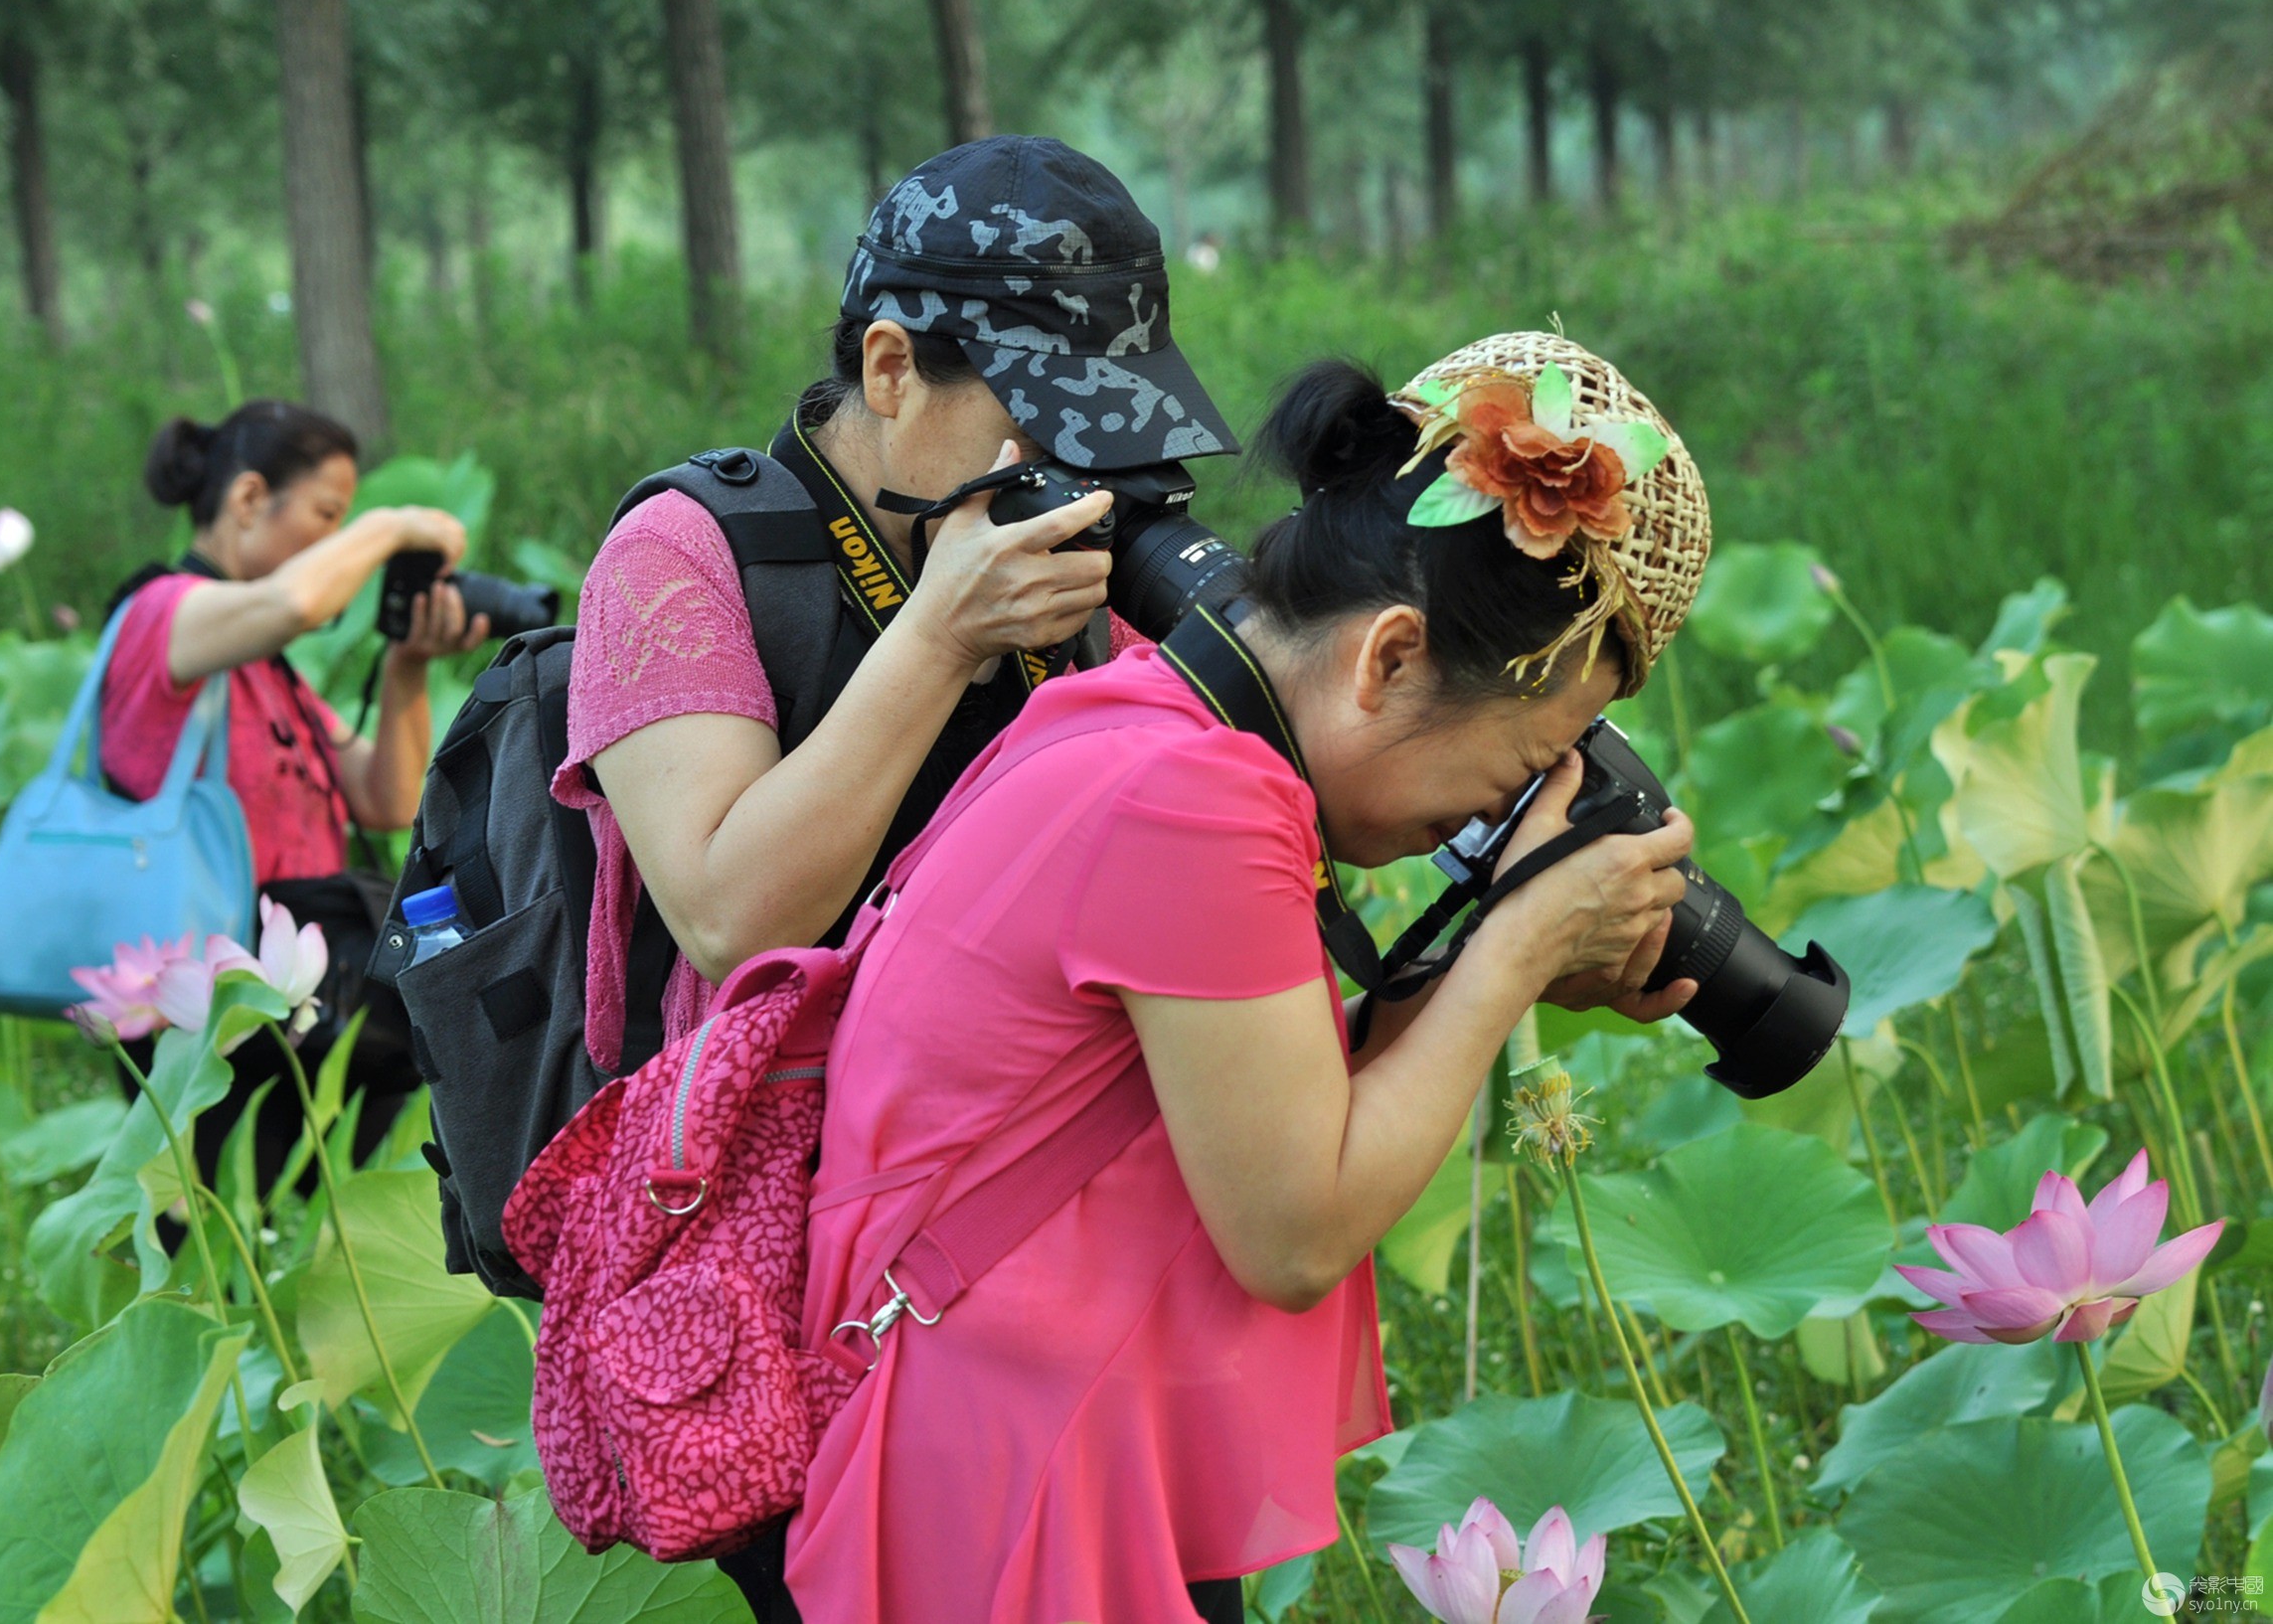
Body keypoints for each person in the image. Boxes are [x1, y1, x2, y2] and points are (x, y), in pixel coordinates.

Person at [783, 333, 1715, 1622]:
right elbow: (1295, 1228)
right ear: (1387, 659)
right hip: (1014, 1493)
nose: (1488, 821)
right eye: (1514, 772)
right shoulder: (1197, 804)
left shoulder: (1141, 725)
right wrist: (1512, 950)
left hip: (1013, 1436)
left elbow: (1257, 1112)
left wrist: (1510, 947)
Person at [559, 133, 1240, 1615]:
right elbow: (727, 909)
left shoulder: (1064, 554)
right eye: (1040, 420)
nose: (1079, 469)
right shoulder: (682, 557)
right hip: (799, 1283)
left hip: (1061, 1249)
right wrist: (939, 638)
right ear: (885, 368)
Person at [105, 399, 487, 1187]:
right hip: (208, 990)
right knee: (229, 1228)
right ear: (248, 500)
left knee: (309, 1222)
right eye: (325, 514)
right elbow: (294, 602)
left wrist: (407, 665)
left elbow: (383, 799)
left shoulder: (265, 665)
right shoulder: (158, 615)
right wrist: (387, 527)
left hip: (293, 977)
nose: (338, 540)